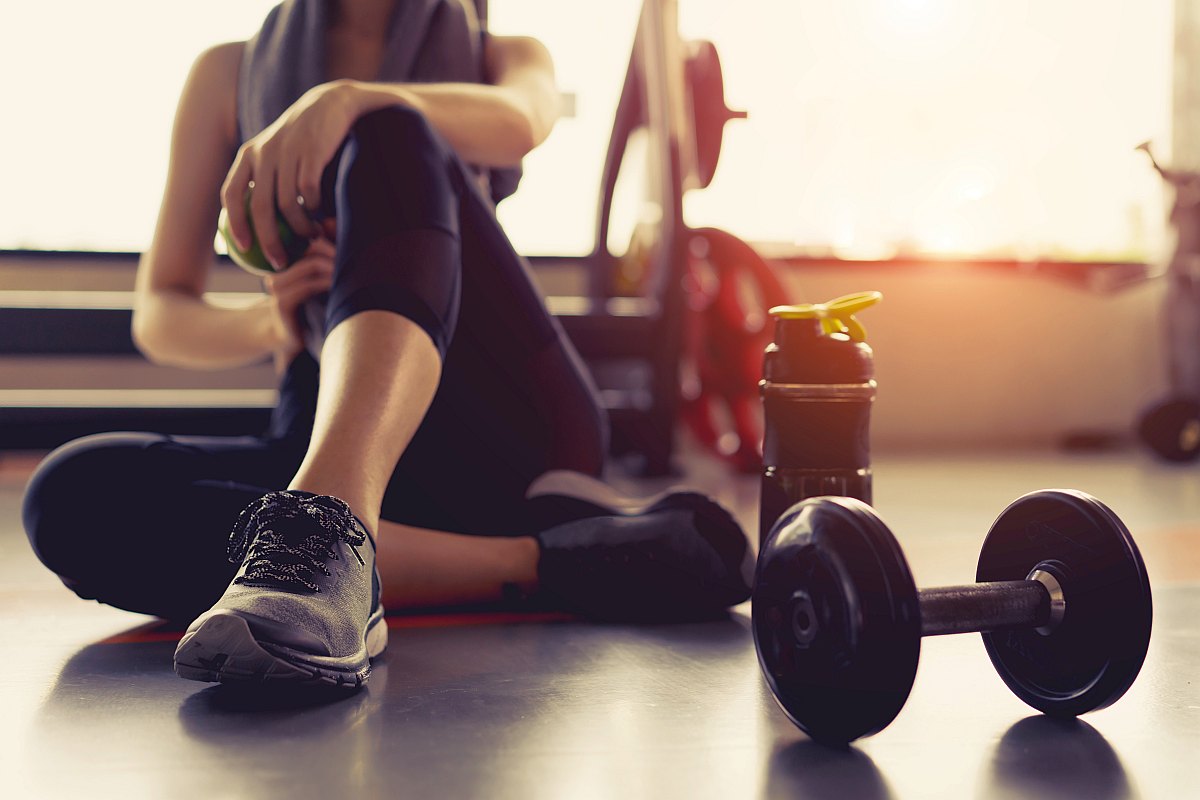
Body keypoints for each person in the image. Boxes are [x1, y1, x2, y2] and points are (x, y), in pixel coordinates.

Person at [21, 0, 753, 689]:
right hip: (323, 422)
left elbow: (522, 121)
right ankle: (541, 559)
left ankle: (326, 535)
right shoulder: (226, 73)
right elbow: (160, 313)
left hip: (504, 426)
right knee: (68, 496)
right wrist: (267, 324)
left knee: (389, 126)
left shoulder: (505, 54)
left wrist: (345, 98)